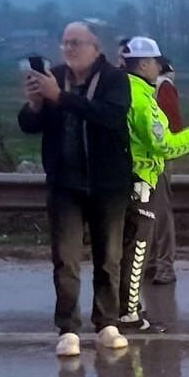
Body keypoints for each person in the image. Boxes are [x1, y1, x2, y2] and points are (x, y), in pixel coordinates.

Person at [19, 21, 133, 357]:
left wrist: (61, 98)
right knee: (66, 258)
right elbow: (28, 125)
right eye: (66, 43)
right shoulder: (53, 76)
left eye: (77, 43)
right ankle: (68, 328)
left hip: (107, 182)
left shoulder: (115, 79)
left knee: (108, 256)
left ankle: (107, 322)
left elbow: (110, 116)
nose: (70, 49)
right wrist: (37, 104)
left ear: (96, 48)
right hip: (64, 183)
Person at [117, 37, 189, 331]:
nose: (159, 68)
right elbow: (164, 145)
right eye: (156, 62)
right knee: (137, 247)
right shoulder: (144, 99)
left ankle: (115, 309)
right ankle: (129, 313)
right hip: (141, 179)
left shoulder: (117, 90)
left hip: (118, 178)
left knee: (120, 247)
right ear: (145, 64)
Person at [144, 57, 183, 285]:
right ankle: (151, 264)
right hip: (142, 159)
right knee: (145, 214)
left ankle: (164, 265)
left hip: (156, 158)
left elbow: (172, 125)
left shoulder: (162, 87)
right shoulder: (149, 87)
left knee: (159, 214)